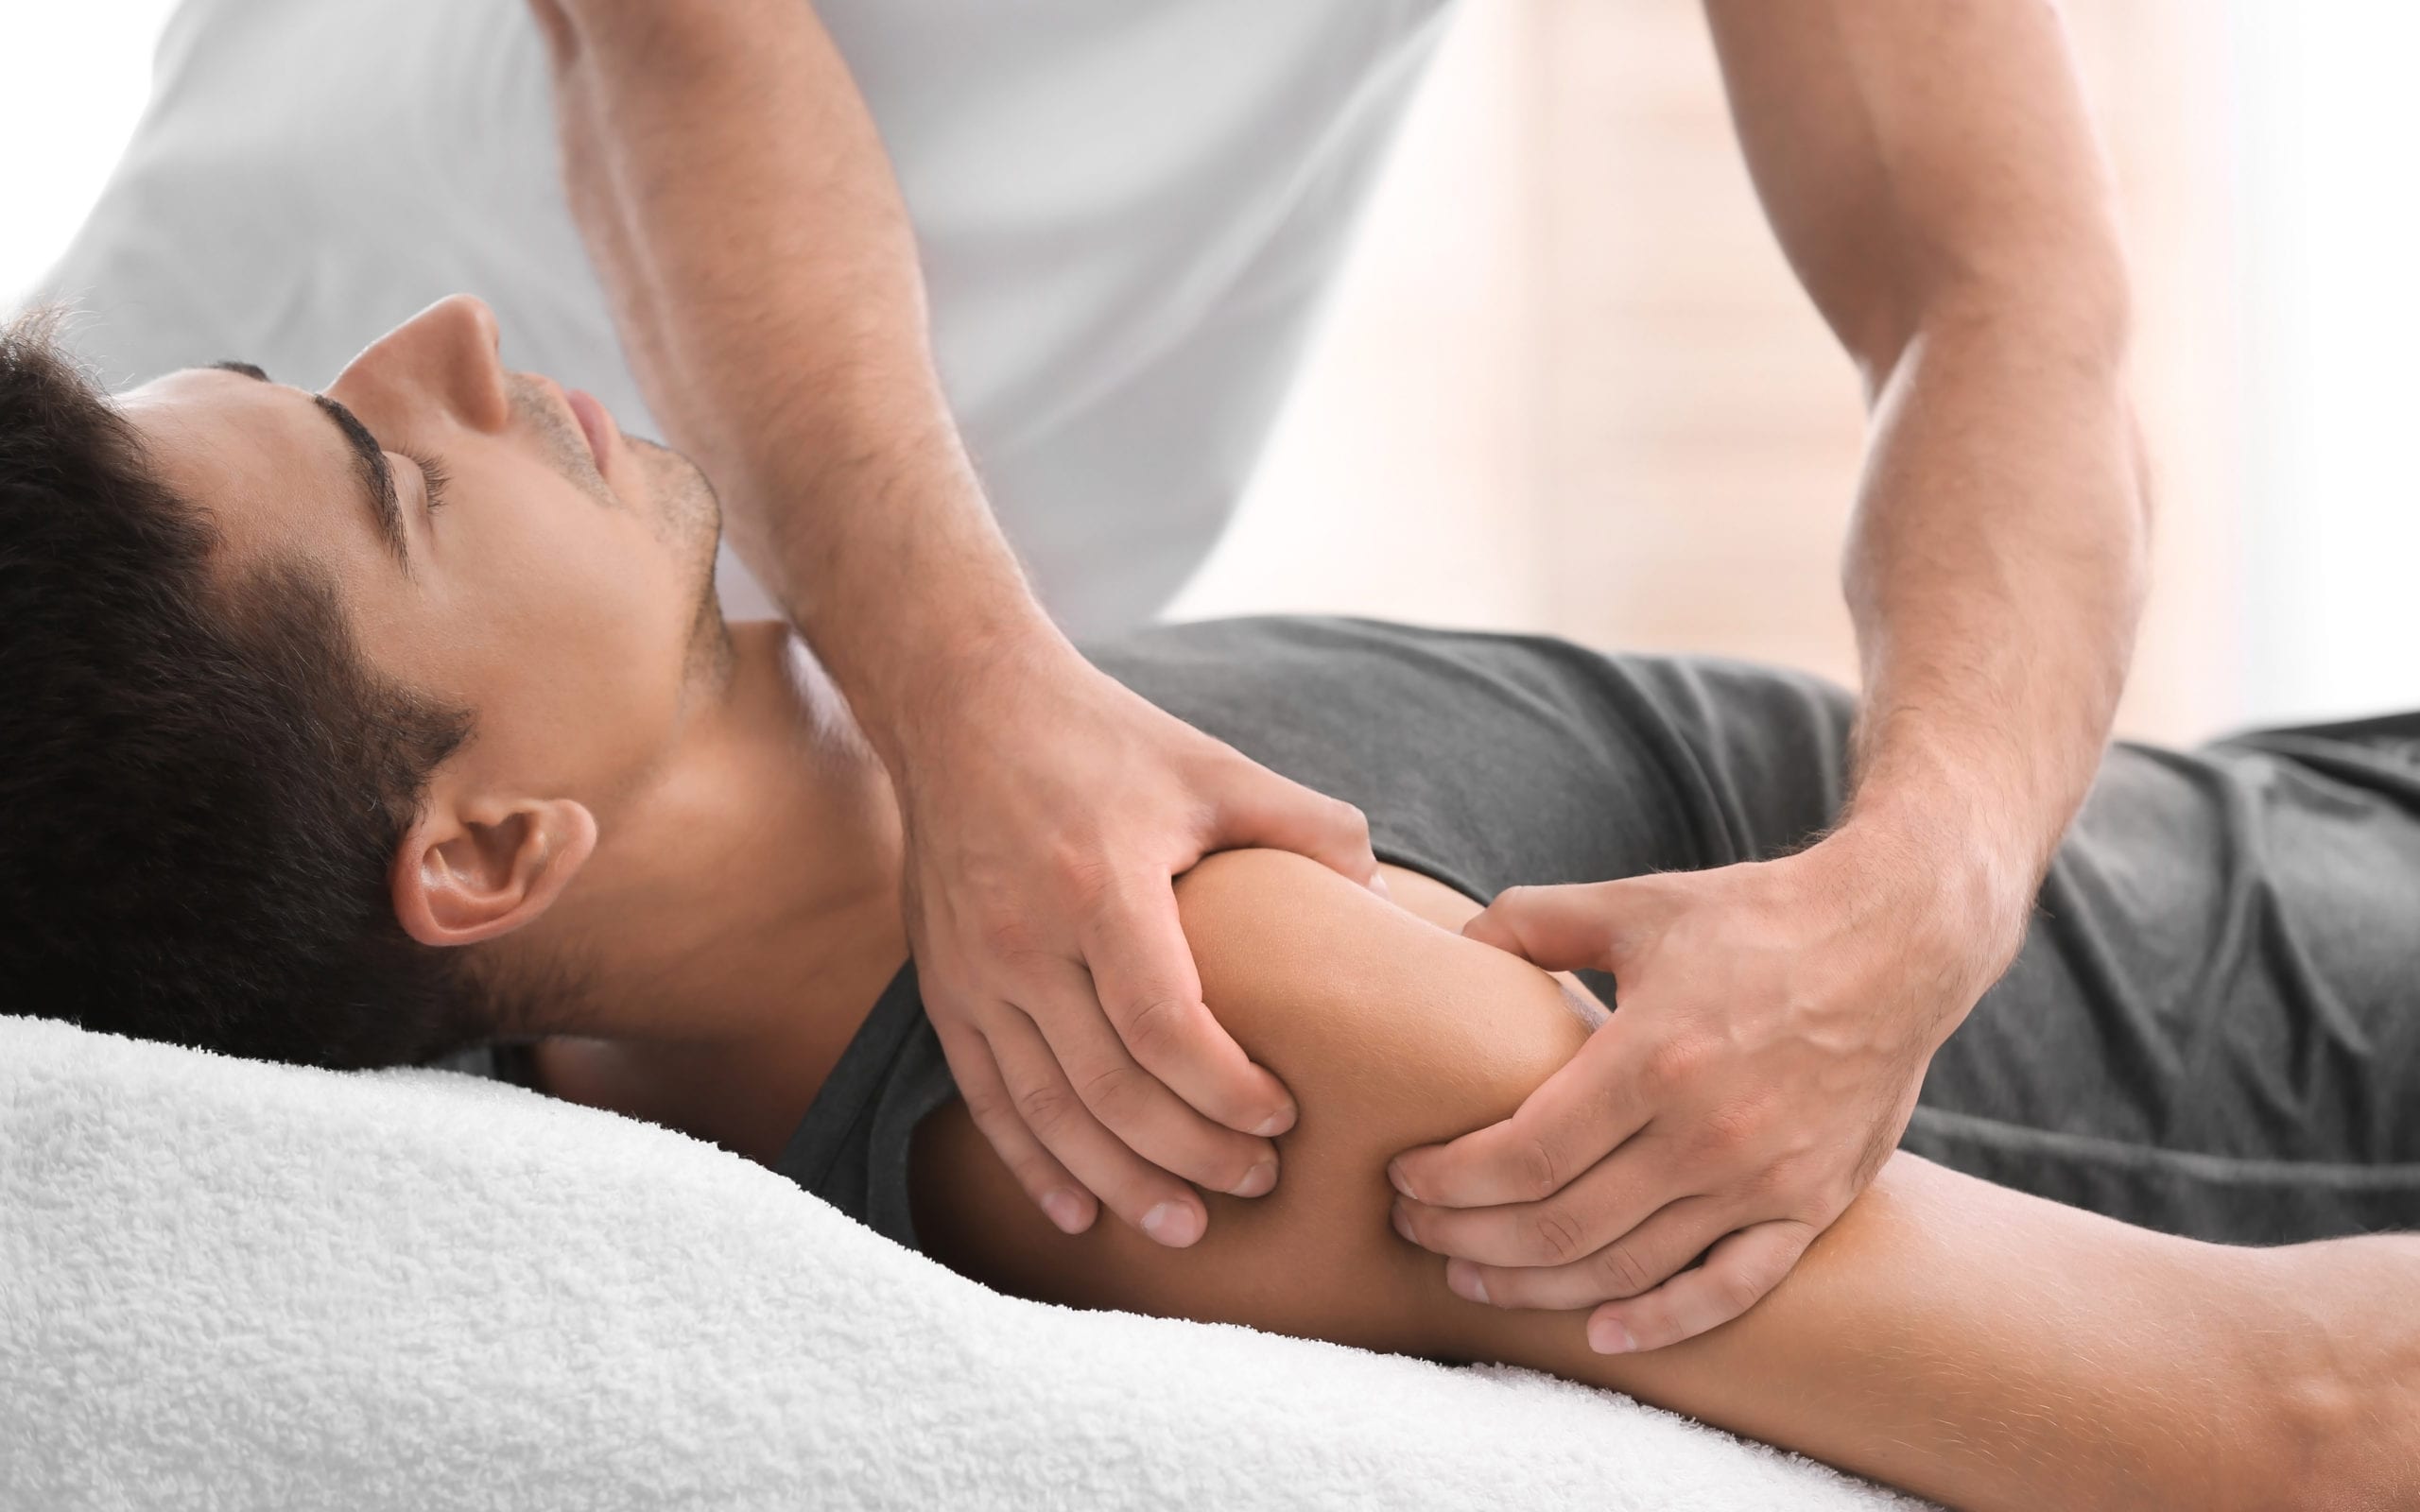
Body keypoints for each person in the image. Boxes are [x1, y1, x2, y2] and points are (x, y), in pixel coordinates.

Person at [1, 297, 2411, 1508]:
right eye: (382, 472)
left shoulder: (802, 866)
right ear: (492, 852)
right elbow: (2289, 1410)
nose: (435, 340)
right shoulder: (1183, 1037)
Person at [30, 0, 2150, 1343]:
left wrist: (1933, 878)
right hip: (272, 598)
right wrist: (968, 701)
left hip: (903, 730)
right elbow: (672, 35)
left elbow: (1997, 286)